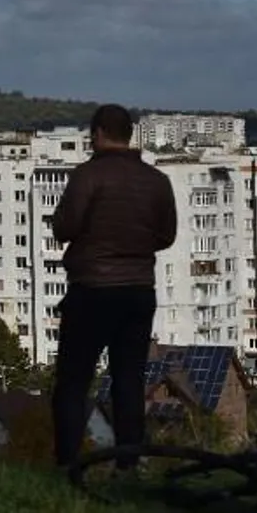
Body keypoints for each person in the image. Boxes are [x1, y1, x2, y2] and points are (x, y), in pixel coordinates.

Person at [50, 103, 177, 472]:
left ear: (98, 134)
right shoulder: (157, 181)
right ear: (130, 135)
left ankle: (69, 466)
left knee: (74, 382)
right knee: (128, 380)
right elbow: (166, 235)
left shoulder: (87, 176)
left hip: (91, 289)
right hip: (139, 290)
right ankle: (128, 466)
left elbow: (65, 228)